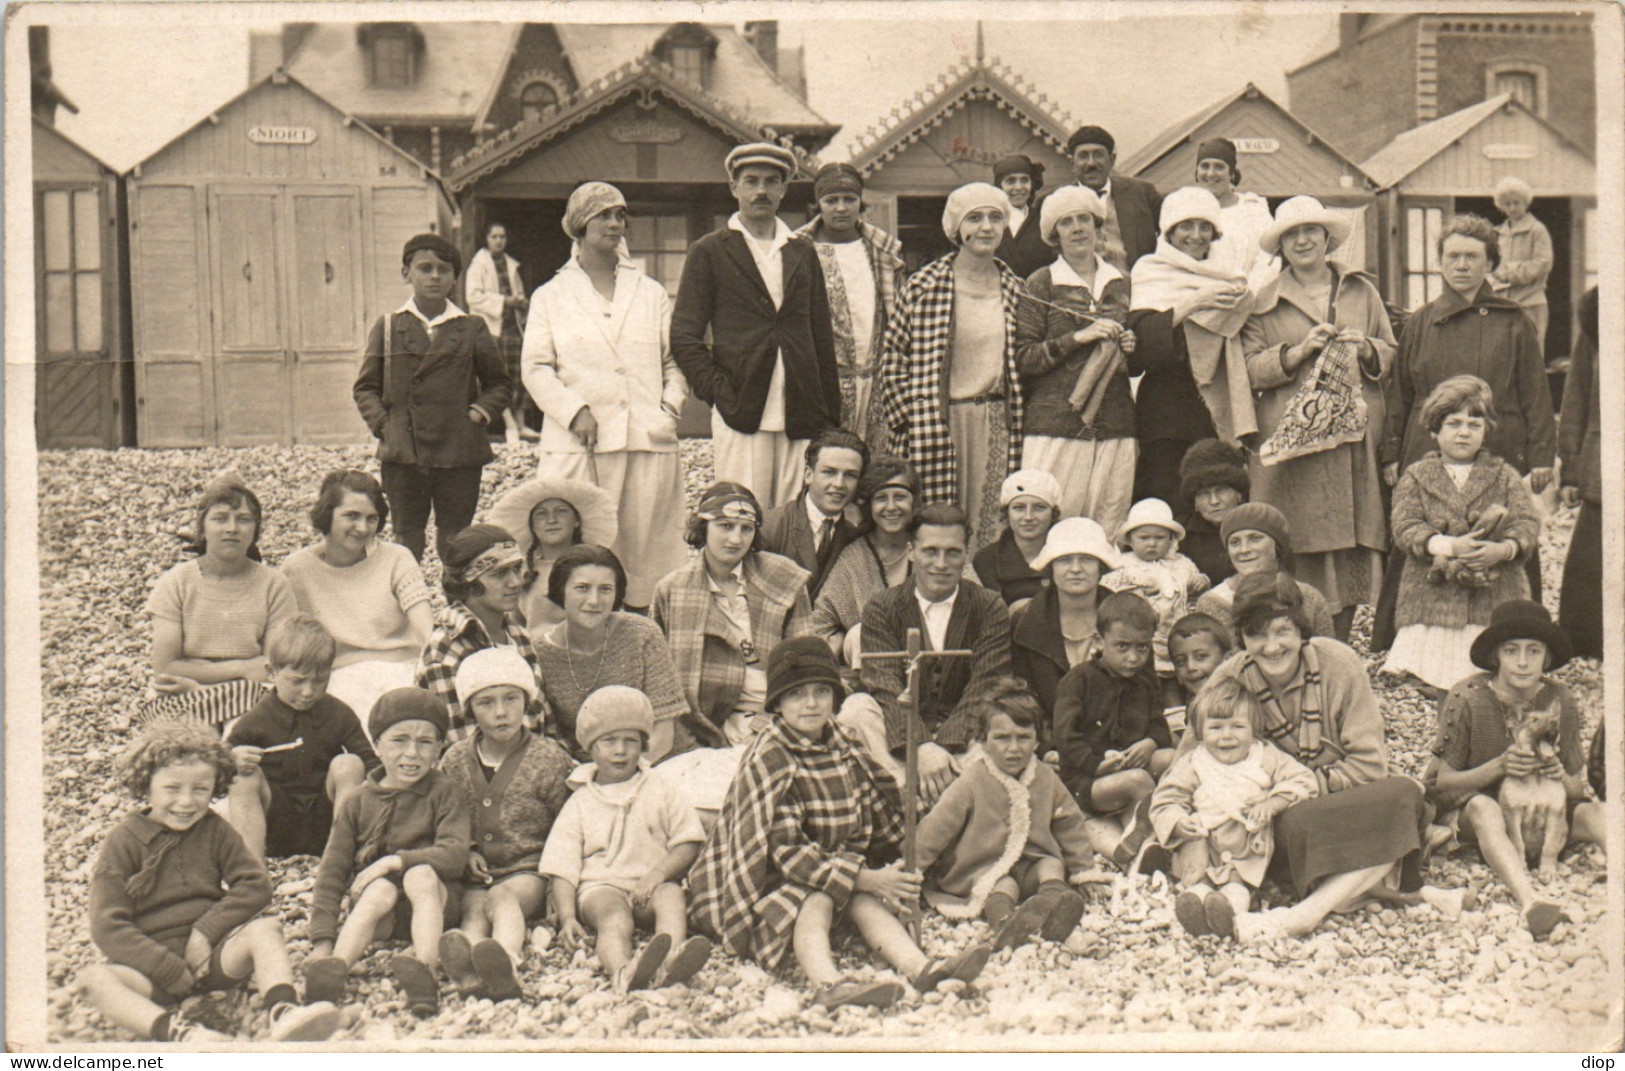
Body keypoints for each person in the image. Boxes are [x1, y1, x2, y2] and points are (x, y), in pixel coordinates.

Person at [688, 637, 991, 1012]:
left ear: (834, 696)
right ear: (778, 703)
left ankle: (920, 967)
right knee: (820, 897)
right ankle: (828, 982)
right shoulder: (770, 756)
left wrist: (897, 845)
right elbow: (782, 850)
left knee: (861, 898)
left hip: (834, 866)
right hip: (773, 875)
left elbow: (875, 802)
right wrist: (863, 876)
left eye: (821, 692)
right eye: (797, 695)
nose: (811, 704)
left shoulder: (842, 742)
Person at [1198, 572, 1432, 945]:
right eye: (1257, 635)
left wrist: (1299, 788)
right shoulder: (1230, 677)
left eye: (1282, 631)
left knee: (1405, 793)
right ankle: (1349, 894)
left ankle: (1309, 912)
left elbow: (1370, 766)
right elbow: (1192, 760)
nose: (1272, 647)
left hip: (1325, 806)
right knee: (1397, 812)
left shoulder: (1338, 663)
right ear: (1241, 638)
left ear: (1301, 630)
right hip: (1267, 829)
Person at [80, 722, 340, 1044]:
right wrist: (167, 968)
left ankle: (283, 1010)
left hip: (213, 958)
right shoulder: (124, 841)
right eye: (172, 789)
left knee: (265, 928)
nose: (187, 802)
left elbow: (255, 886)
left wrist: (204, 932)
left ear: (216, 787)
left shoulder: (215, 830)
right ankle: (179, 1034)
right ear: (146, 784)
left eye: (200, 789)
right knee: (93, 978)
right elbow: (107, 925)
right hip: (149, 970)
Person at [1376, 213, 1555, 649]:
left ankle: (1509, 635)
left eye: (1472, 257)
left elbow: (1536, 390)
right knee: (1425, 534)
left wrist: (1542, 457)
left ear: (1490, 262)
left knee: (1502, 533)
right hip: (1426, 447)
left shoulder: (1513, 320)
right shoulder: (1420, 321)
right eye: (1452, 256)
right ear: (1440, 262)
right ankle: (1416, 640)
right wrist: (1391, 453)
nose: (1461, 265)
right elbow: (1400, 392)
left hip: (1498, 444)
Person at [522, 182, 690, 606]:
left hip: (645, 440)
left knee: (647, 552)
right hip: (581, 444)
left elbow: (674, 362)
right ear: (580, 225)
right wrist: (574, 410)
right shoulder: (551, 295)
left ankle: (642, 636)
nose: (615, 224)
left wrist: (668, 410)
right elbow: (535, 368)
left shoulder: (649, 292)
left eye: (620, 215)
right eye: (604, 215)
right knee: (581, 552)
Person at [1243, 195, 1394, 642]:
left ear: (1327, 238)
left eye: (1311, 231)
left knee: (1350, 536)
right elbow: (1248, 367)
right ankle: (1296, 634)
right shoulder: (1263, 300)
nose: (1303, 240)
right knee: (1302, 533)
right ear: (1281, 246)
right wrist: (1295, 353)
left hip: (1353, 437)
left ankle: (1339, 641)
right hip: (1296, 440)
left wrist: (1367, 348)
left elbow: (1390, 351)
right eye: (1292, 234)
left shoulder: (1360, 290)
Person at [672, 142, 841, 510]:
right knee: (740, 515)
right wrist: (719, 390)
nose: (761, 191)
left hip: (801, 411)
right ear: (734, 188)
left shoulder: (802, 250)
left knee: (797, 518)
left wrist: (830, 418)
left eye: (771, 181)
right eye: (750, 181)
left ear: (783, 189)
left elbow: (821, 338)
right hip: (743, 412)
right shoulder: (711, 250)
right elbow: (684, 336)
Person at [1426, 600, 1605, 938]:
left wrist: (1555, 771)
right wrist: (1497, 767)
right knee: (1484, 806)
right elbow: (1440, 785)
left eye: (1533, 651)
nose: (1523, 662)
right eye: (1511, 651)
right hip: (1481, 821)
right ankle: (1530, 900)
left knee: (1600, 813)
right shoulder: (1468, 697)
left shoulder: (1560, 700)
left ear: (1546, 657)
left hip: (1546, 822)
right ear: (1496, 656)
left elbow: (1576, 792)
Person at [304, 688, 470, 1018]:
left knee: (419, 874)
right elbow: (332, 872)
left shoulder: (445, 792)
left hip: (434, 904)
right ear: (377, 745)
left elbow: (455, 855)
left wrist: (395, 861)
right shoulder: (357, 801)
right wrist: (321, 939)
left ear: (439, 748)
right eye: (399, 740)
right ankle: (336, 967)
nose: (412, 753)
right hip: (382, 916)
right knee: (379, 888)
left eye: (426, 742)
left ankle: (424, 970)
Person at [880, 183, 1025, 547]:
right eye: (974, 218)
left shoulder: (1017, 288)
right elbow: (893, 356)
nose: (986, 227)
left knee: (991, 523)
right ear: (956, 228)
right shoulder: (923, 286)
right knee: (938, 519)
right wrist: (908, 419)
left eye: (995, 217)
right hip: (938, 421)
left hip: (997, 422)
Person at [540, 687, 712, 993]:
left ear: (643, 746)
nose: (620, 751)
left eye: (630, 741)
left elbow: (688, 841)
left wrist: (657, 874)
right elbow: (561, 866)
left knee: (671, 895)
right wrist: (567, 916)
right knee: (614, 919)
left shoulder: (660, 787)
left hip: (648, 883)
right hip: (601, 887)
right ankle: (622, 971)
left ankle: (669, 959)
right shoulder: (580, 800)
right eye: (609, 741)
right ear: (591, 749)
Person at [353, 233, 512, 565]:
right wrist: (386, 425)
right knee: (405, 537)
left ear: (455, 277)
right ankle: (404, 606)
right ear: (406, 273)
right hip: (403, 454)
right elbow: (365, 388)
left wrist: (478, 415)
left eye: (444, 269)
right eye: (425, 268)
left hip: (458, 451)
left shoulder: (470, 327)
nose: (435, 276)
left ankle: (454, 606)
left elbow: (499, 384)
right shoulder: (388, 327)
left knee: (456, 538)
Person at [1384, 376, 1540, 693]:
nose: (1464, 433)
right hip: (1434, 586)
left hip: (1492, 586)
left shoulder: (1504, 475)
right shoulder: (1416, 476)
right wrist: (1449, 545)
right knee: (1434, 637)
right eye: (1454, 424)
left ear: (1486, 431)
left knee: (1490, 644)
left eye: (1474, 424)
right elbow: (1405, 525)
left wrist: (1505, 549)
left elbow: (1526, 521)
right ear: (1434, 431)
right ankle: (1430, 673)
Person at [437, 648, 574, 1002]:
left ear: (527, 701)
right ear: (469, 710)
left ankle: (506, 961)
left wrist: (562, 886)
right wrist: (465, 849)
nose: (501, 712)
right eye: (486, 703)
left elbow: (570, 828)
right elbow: (445, 817)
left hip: (529, 872)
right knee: (473, 912)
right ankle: (468, 968)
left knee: (502, 899)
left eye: (511, 699)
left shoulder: (549, 759)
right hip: (476, 875)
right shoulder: (453, 760)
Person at [914, 678, 1092, 948]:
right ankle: (1006, 924)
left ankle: (1053, 909)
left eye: (1023, 738)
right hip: (983, 868)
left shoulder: (1045, 777)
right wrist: (911, 871)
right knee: (1002, 885)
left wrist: (1084, 872)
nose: (1013, 748)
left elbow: (1070, 825)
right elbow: (936, 828)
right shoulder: (972, 781)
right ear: (984, 741)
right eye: (1002, 738)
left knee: (1052, 865)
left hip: (1030, 866)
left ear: (1037, 740)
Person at [857, 504, 1013, 797]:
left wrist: (940, 750)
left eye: (952, 552)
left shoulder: (988, 606)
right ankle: (914, 791)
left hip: (963, 737)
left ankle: (921, 796)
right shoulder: (882, 606)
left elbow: (986, 685)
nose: (941, 563)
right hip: (900, 738)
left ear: (966, 554)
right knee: (856, 711)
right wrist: (921, 746)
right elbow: (884, 686)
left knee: (997, 737)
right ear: (911, 552)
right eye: (930, 551)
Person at [651, 482, 814, 754]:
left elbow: (806, 660)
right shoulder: (672, 589)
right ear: (703, 527)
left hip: (778, 711)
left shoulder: (784, 577)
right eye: (725, 526)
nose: (736, 539)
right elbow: (659, 678)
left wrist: (774, 718)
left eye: (746, 528)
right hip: (702, 721)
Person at [1152, 675, 1318, 939]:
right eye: (1215, 728)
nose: (1226, 736)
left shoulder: (1265, 756)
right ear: (1200, 733)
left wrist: (1272, 802)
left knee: (1237, 882)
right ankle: (1195, 905)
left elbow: (1304, 780)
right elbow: (1167, 797)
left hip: (1245, 844)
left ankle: (1228, 913)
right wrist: (1180, 822)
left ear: (1254, 731)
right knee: (1197, 879)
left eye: (1237, 727)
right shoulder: (1194, 762)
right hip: (1202, 841)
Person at [1013, 185, 1137, 534]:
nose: (1078, 228)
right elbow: (1024, 358)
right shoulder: (1041, 282)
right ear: (1054, 235)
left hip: (1116, 423)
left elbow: (1132, 359)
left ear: (1099, 228)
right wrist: (1077, 338)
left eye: (1085, 219)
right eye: (1067, 223)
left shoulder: (1122, 283)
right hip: (1056, 425)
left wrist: (1129, 344)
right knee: (1053, 526)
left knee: (1108, 527)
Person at [1126, 186, 1257, 507]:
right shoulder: (1150, 270)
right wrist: (1193, 303)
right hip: (1165, 411)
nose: (1196, 235)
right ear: (1169, 232)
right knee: (1165, 500)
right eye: (1186, 226)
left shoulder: (1231, 276)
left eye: (1204, 227)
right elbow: (1138, 351)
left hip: (1215, 407)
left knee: (1216, 502)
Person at [143, 475, 297, 727]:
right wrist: (243, 668)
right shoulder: (175, 583)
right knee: (180, 750)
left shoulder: (275, 585)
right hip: (183, 692)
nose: (232, 528)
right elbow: (166, 667)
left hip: (251, 695)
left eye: (243, 520)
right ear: (202, 528)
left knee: (249, 743)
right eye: (220, 518)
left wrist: (202, 678)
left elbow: (271, 668)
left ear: (255, 531)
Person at [281, 470, 434, 720]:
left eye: (371, 519)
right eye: (351, 516)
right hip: (336, 680)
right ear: (326, 514)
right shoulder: (296, 569)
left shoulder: (397, 558)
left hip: (401, 672)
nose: (362, 528)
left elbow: (427, 633)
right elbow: (293, 646)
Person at [225, 615, 377, 861]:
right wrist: (230, 759)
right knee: (241, 775)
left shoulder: (339, 714)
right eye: (297, 681)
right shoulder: (258, 717)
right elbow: (209, 766)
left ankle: (340, 861)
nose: (308, 691)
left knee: (349, 764)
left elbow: (372, 767)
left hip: (327, 822)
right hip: (276, 823)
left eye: (320, 680)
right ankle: (251, 873)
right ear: (271, 673)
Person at [533, 545, 691, 762]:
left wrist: (622, 780)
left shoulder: (642, 634)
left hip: (661, 762)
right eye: (582, 588)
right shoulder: (541, 654)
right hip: (586, 774)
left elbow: (662, 734)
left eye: (605, 589)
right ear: (561, 590)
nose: (594, 601)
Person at [1052, 591, 1176, 868]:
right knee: (1138, 781)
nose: (1133, 657)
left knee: (1171, 759)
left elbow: (1158, 723)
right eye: (1122, 647)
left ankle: (1139, 841)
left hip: (1128, 767)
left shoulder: (1144, 681)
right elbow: (1065, 737)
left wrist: (1150, 744)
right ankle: (1148, 841)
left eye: (1142, 648)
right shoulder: (1078, 681)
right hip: (1088, 782)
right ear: (1099, 641)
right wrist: (1097, 765)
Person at [794, 162, 907, 446]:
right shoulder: (798, 250)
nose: (841, 208)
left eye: (849, 199)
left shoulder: (882, 251)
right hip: (823, 383)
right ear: (818, 204)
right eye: (832, 200)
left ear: (861, 203)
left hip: (877, 381)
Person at [415, 525, 548, 741]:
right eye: (500, 573)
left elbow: (543, 720)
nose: (515, 582)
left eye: (516, 569)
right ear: (469, 582)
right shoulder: (446, 648)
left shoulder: (519, 636)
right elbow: (460, 746)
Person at [1009, 517, 1123, 732]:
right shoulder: (1025, 621)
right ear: (1051, 567)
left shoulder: (1125, 616)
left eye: (1087, 559)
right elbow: (1021, 697)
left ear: (1101, 566)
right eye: (1064, 560)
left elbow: (1143, 695)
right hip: (1050, 741)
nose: (1076, 569)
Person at [811, 457, 918, 671]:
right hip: (871, 672)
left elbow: (972, 599)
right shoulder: (855, 557)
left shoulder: (930, 543)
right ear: (869, 505)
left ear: (914, 501)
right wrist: (841, 640)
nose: (891, 507)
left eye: (900, 497)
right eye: (881, 498)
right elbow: (820, 622)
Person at [1101, 498, 1210, 703]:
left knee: (1180, 691)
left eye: (1159, 537)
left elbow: (1197, 584)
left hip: (1179, 640)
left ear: (1171, 540)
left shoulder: (1181, 564)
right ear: (1130, 540)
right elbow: (1108, 591)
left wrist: (1200, 582)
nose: (1152, 543)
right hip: (1144, 643)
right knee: (1145, 689)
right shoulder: (1123, 566)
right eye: (1144, 537)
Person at [486, 475, 618, 628]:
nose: (551, 520)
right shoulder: (522, 572)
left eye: (561, 511)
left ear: (576, 521)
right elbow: (514, 623)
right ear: (532, 526)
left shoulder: (594, 568)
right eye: (541, 514)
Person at [1193, 503, 1336, 642]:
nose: (1244, 550)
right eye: (1235, 542)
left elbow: (1328, 657)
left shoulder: (1309, 598)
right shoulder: (1211, 605)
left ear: (1277, 545)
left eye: (1255, 539)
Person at [760, 428, 867, 599]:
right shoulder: (770, 527)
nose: (839, 484)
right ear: (808, 475)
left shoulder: (853, 537)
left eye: (850, 475)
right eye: (829, 472)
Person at [1042, 125, 1163, 275]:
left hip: (1139, 288)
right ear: (1072, 162)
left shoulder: (1142, 193)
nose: (1091, 163)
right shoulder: (1053, 202)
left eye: (1098, 155)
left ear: (1111, 160)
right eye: (1083, 156)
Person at [1558, 287, 1602, 659]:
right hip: (1604, 471)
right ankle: (1590, 645)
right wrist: (1571, 470)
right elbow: (1576, 398)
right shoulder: (1598, 317)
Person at [465, 220, 534, 441]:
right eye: (494, 237)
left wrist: (521, 303)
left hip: (513, 327)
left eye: (502, 237)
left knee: (519, 374)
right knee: (499, 377)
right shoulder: (479, 265)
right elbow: (473, 297)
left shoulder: (511, 265)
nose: (498, 241)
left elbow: (519, 293)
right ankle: (510, 425)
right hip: (493, 328)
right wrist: (505, 301)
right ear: (486, 239)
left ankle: (521, 422)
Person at [1192, 138, 1276, 288]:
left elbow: (1268, 259)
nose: (1211, 173)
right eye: (1205, 166)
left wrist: (1247, 294)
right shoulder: (1185, 209)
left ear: (1231, 174)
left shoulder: (1254, 210)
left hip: (1246, 298)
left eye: (1219, 167)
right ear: (1197, 173)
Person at [971, 470, 1063, 607]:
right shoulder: (986, 560)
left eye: (1039, 508)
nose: (1028, 517)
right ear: (1006, 513)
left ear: (1053, 513)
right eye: (1019, 508)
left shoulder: (1067, 555)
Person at [1487, 177, 1554, 349]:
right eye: (1507, 204)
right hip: (1503, 303)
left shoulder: (1537, 230)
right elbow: (1491, 265)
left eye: (1516, 202)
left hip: (1530, 301)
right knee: (1504, 352)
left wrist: (1509, 273)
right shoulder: (1498, 233)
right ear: (1501, 206)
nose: (1512, 208)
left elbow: (1543, 263)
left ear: (1526, 202)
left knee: (1530, 352)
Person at [1176, 439, 1249, 587]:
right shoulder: (1180, 534)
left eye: (1221, 490)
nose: (1214, 501)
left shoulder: (1258, 524)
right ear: (1194, 501)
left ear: (1239, 494)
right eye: (1204, 494)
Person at [992, 154, 1051, 279]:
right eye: (1010, 181)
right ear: (999, 186)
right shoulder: (990, 222)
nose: (1018, 187)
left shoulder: (1045, 220)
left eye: (1024, 180)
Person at [1167, 612, 1232, 709]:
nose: (1190, 667)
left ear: (1227, 660)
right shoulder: (1193, 705)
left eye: (1200, 656)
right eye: (1180, 661)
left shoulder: (1240, 702)